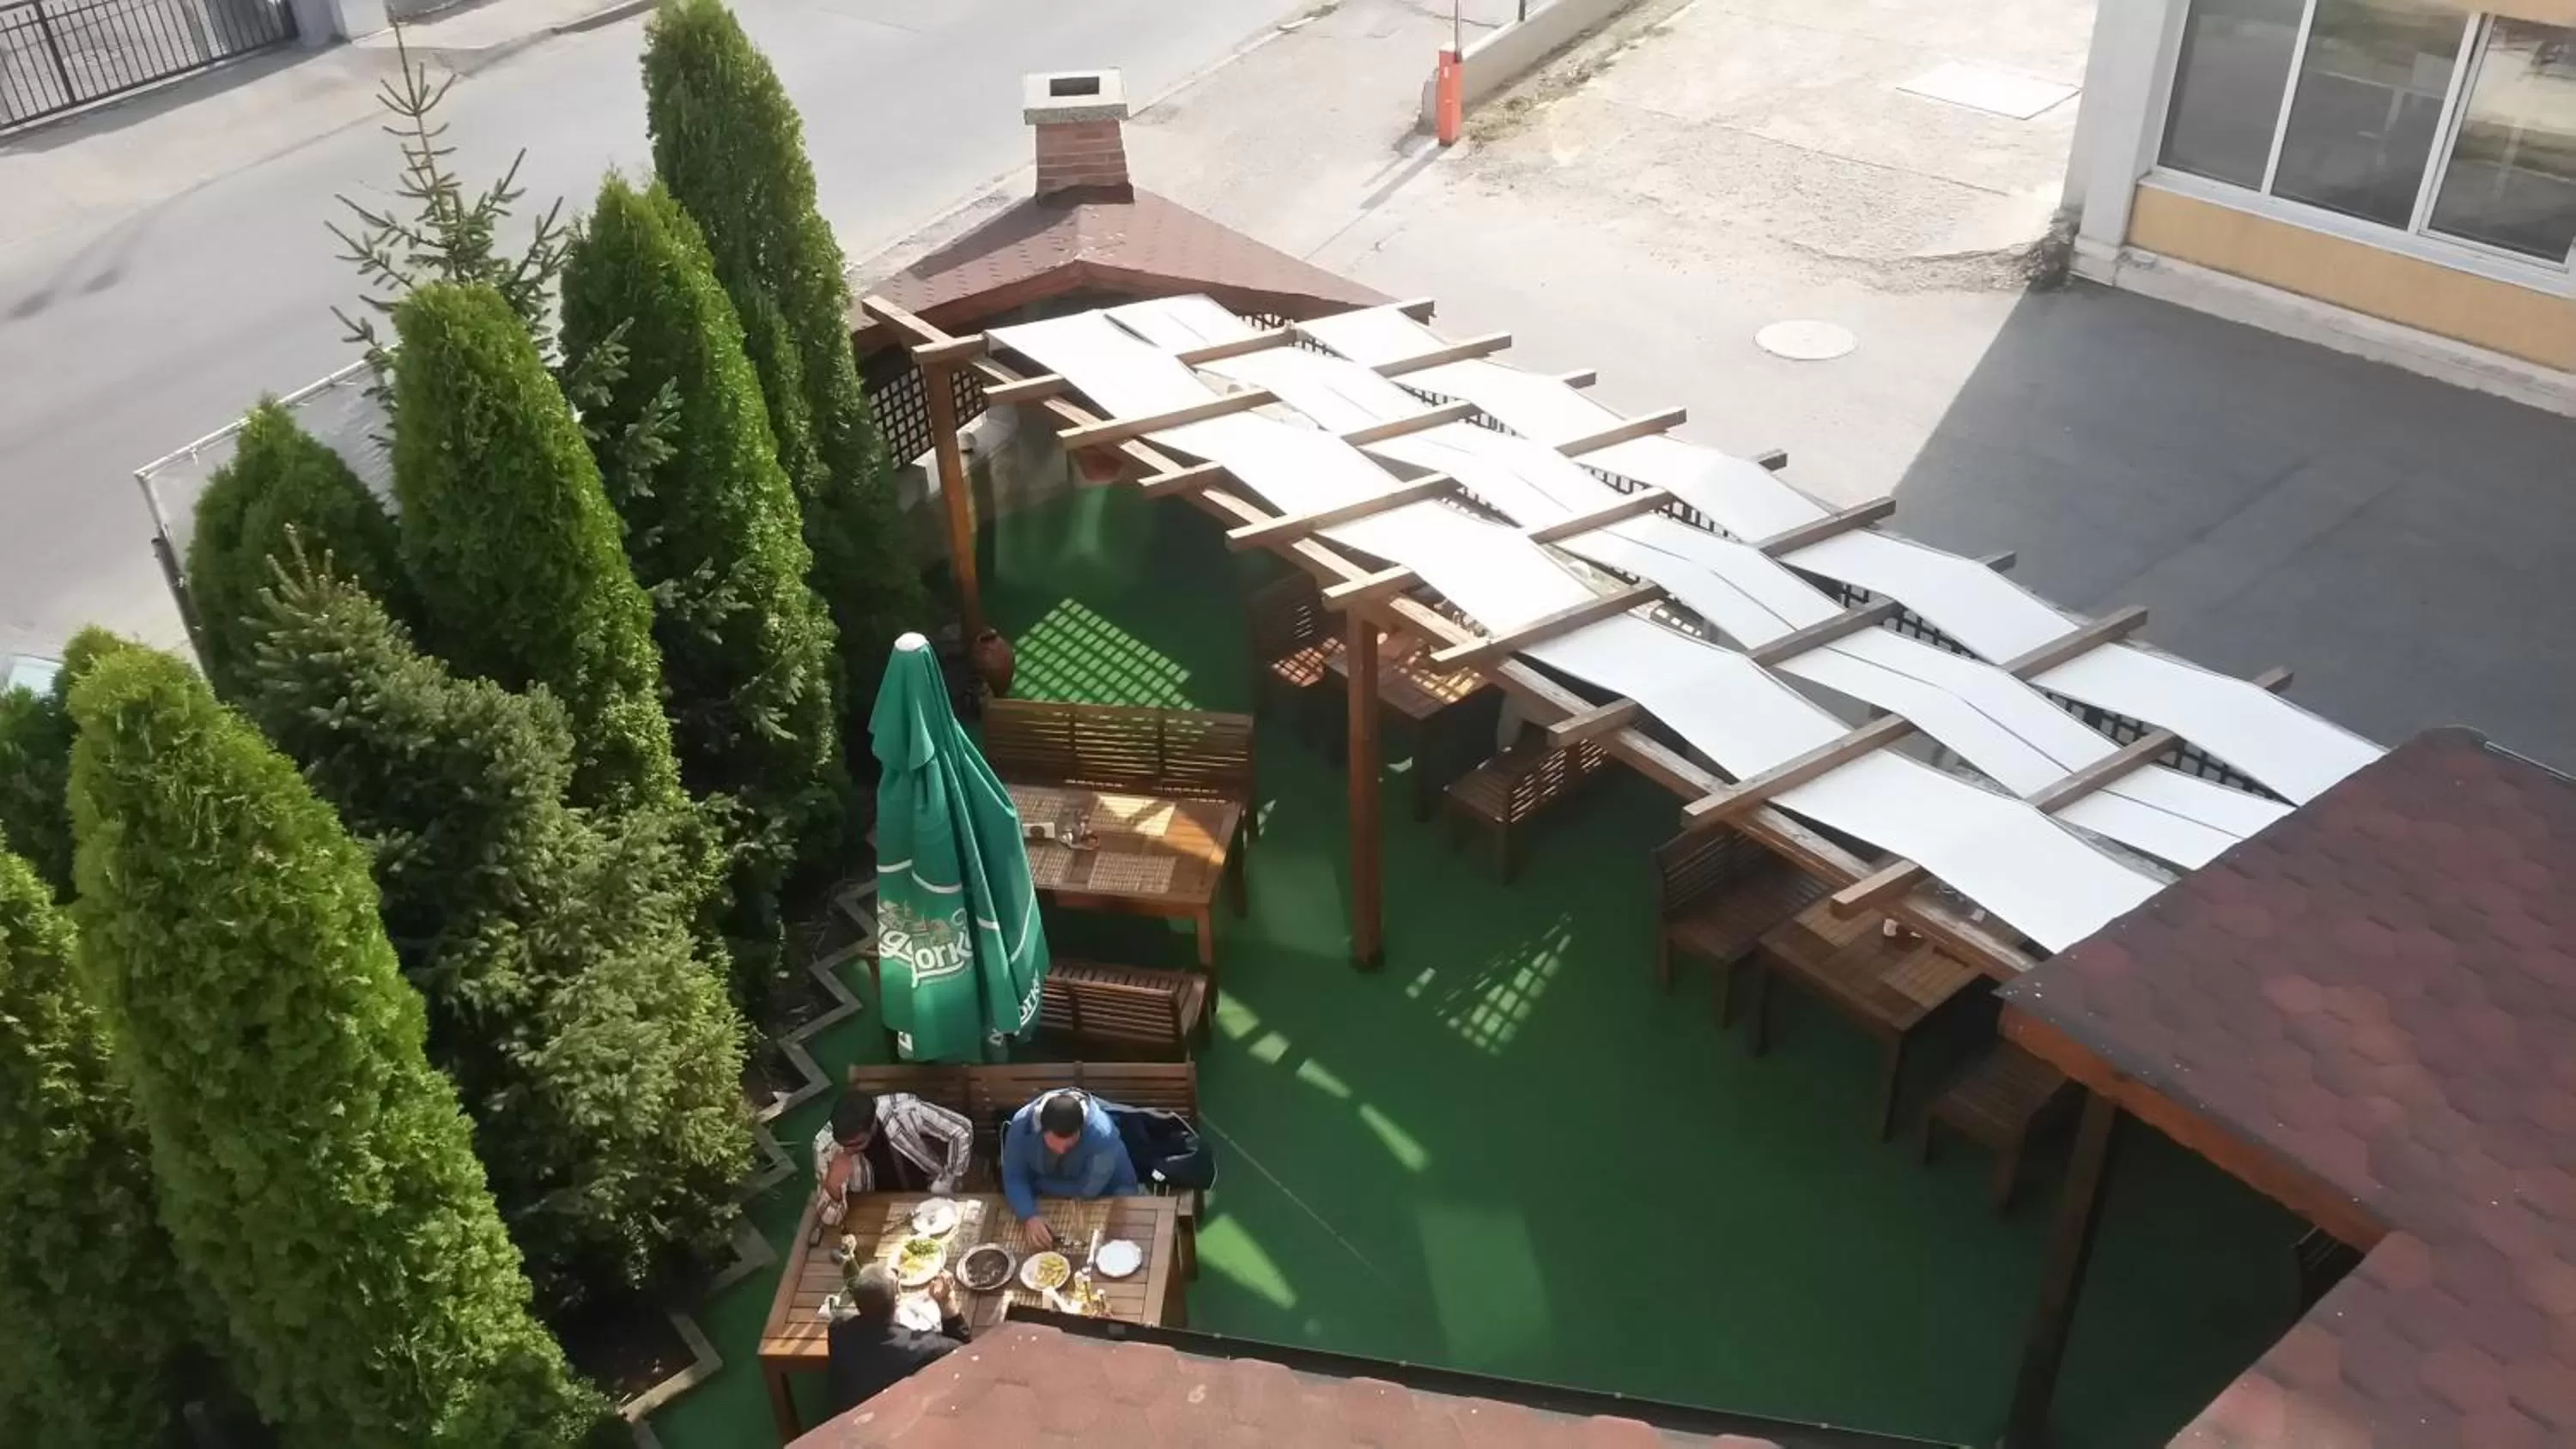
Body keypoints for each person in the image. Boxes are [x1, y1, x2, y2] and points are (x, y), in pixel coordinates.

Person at [812, 1082, 975, 1229]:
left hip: (928, 1192)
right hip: (875, 1210)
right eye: (843, 1144)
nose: (847, 1150)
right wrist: (833, 1186)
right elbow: (831, 1220)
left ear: (873, 1124)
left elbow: (962, 1129)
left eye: (857, 1144)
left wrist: (949, 1178)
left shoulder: (902, 1110)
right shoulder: (826, 1147)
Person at [1000, 1088, 1138, 1248]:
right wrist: (1029, 1216)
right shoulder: (1020, 1126)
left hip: (1108, 1191)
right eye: (1054, 1144)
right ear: (1041, 1128)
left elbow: (1088, 1189)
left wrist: (1039, 1184)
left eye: (1069, 1145)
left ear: (1081, 1128)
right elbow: (1014, 1176)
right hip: (1054, 1188)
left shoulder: (1102, 1135)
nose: (1060, 1151)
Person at [824, 1263, 969, 1414]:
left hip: (848, 1425)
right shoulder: (919, 1347)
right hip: (894, 1430)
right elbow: (966, 1353)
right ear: (897, 1296)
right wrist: (946, 1302)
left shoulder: (838, 1331)